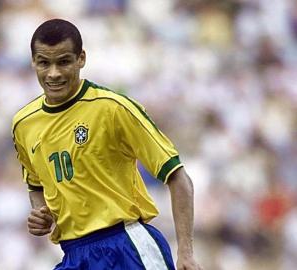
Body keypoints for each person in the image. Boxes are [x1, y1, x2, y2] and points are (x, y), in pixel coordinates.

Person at [12, 18, 202, 270]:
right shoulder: (24, 124)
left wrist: (186, 252)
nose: (54, 73)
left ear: (81, 59)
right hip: (74, 255)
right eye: (44, 63)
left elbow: (179, 179)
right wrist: (41, 213)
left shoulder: (113, 108)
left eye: (64, 61)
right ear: (33, 61)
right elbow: (35, 184)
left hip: (126, 246)